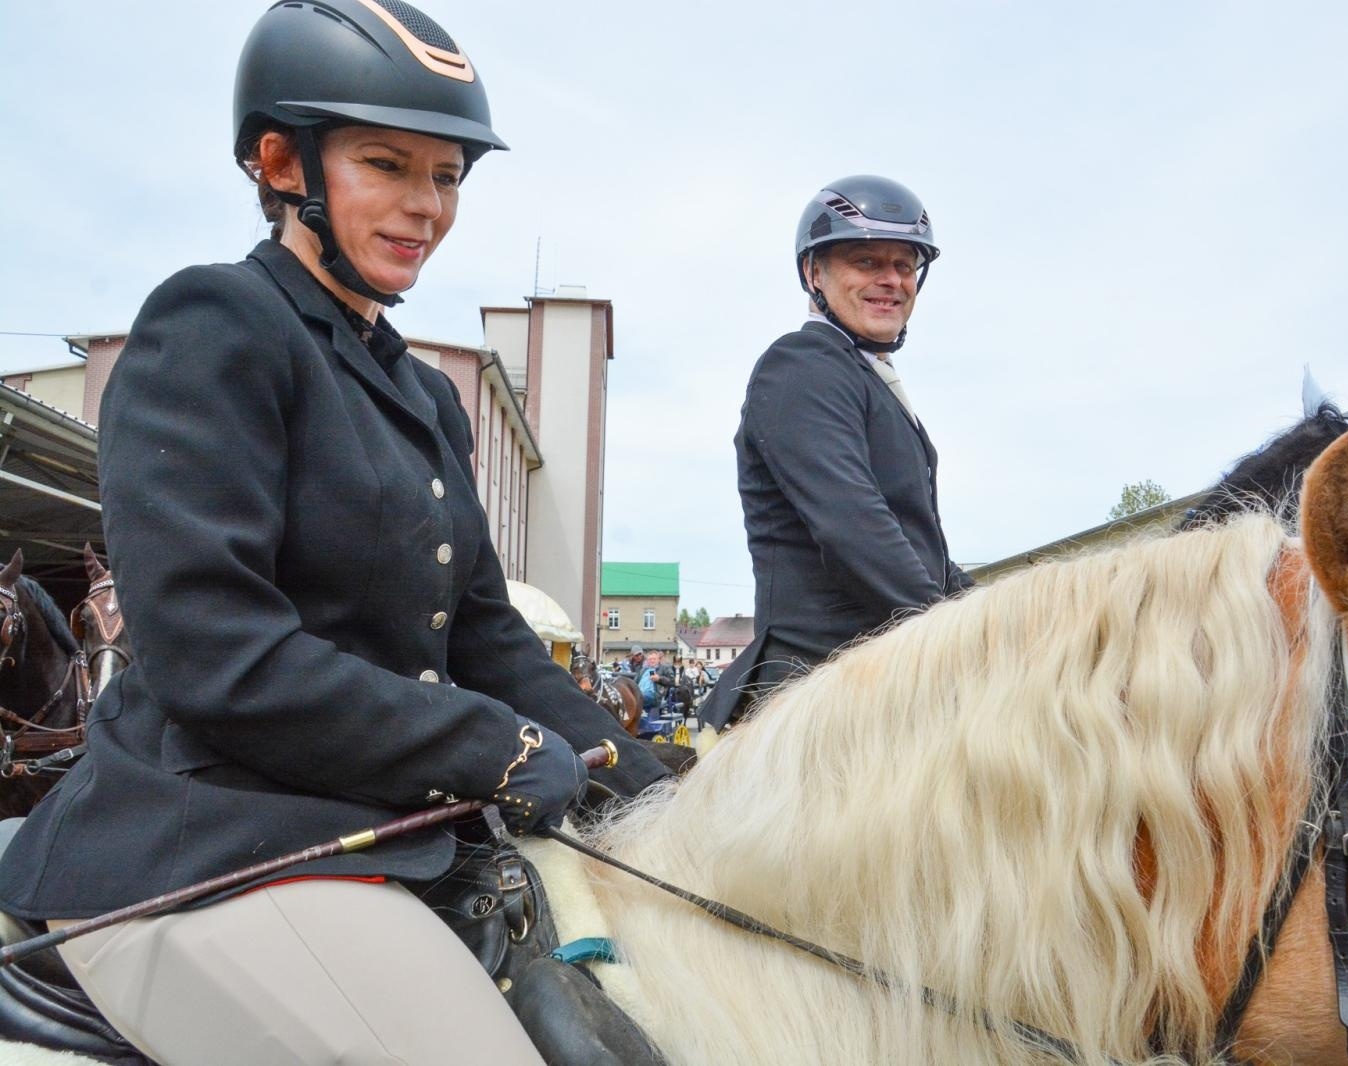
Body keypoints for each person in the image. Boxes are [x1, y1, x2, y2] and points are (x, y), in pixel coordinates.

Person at [0, 3, 667, 1063]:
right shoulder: (213, 324)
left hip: (385, 828)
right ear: (280, 160)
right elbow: (217, 653)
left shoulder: (423, 394)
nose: (426, 205)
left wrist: (652, 782)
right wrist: (494, 745)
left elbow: (487, 639)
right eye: (388, 165)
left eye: (446, 175)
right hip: (207, 843)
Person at [700, 176, 973, 738]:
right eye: (867, 260)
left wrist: (1017, 621)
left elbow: (928, 558)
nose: (891, 280)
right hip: (815, 696)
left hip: (885, 681)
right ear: (813, 273)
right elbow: (858, 530)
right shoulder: (802, 366)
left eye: (904, 265)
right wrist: (967, 639)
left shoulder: (867, 378)